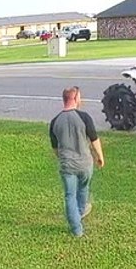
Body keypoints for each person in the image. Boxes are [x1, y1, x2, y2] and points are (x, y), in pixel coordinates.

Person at [47, 86, 106, 237]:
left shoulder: (55, 121)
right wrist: (100, 156)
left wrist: (63, 159)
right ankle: (79, 213)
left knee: (69, 195)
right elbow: (94, 139)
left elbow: (55, 148)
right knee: (83, 189)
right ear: (75, 98)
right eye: (80, 97)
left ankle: (76, 229)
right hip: (85, 164)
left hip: (67, 165)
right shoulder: (84, 117)